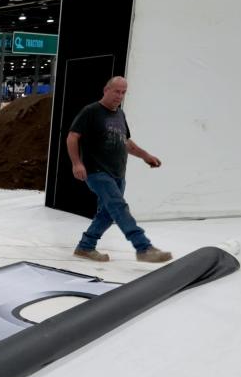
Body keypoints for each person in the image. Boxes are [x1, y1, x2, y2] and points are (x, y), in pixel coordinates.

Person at [68, 76, 172, 263]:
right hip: (97, 171)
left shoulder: (120, 114)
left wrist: (145, 156)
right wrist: (77, 163)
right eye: (117, 91)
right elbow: (72, 137)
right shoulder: (91, 111)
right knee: (118, 207)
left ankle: (85, 246)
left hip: (118, 173)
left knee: (108, 213)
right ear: (106, 90)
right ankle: (143, 247)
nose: (120, 96)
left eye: (123, 92)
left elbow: (126, 142)